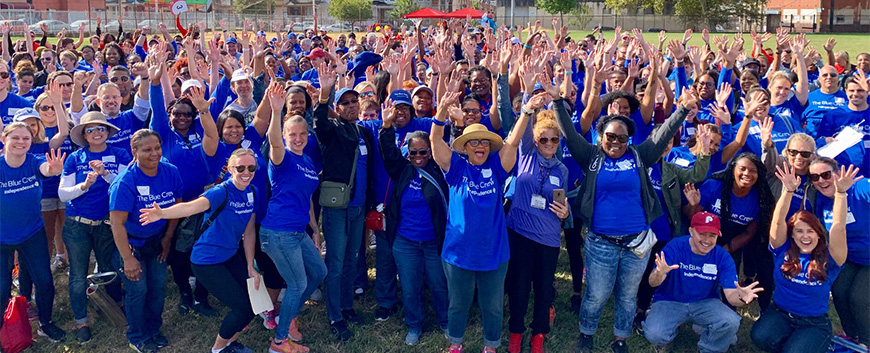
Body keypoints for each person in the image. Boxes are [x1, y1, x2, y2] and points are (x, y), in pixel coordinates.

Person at [556, 59, 698, 353]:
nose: (616, 142)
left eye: (622, 137)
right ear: (601, 135)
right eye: (610, 136)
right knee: (596, 295)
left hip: (637, 242)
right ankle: (587, 334)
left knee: (627, 296)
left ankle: (620, 338)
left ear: (629, 138)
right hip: (601, 241)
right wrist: (558, 101)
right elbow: (569, 133)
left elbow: (661, 134)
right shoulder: (591, 156)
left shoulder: (639, 155)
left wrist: (682, 109)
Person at [430, 84, 530, 353]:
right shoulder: (456, 168)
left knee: (493, 304)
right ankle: (455, 344)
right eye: (473, 141)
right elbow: (436, 142)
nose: (480, 146)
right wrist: (440, 114)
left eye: (484, 141)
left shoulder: (497, 168)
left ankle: (490, 346)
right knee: (458, 303)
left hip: (494, 252)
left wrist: (527, 112)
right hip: (458, 253)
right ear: (464, 146)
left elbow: (512, 142)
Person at [138, 148, 262, 353]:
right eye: (240, 167)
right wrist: (161, 213)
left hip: (230, 255)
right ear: (230, 169)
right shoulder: (220, 192)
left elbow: (249, 232)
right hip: (207, 261)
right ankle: (218, 349)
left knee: (254, 304)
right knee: (243, 308)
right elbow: (190, 207)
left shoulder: (252, 192)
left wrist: (250, 265)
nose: (246, 172)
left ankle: (230, 342)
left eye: (251, 167)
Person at [750, 163, 858, 353]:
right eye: (799, 231)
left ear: (819, 235)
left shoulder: (831, 259)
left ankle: (815, 343)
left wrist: (841, 194)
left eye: (810, 231)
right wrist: (788, 191)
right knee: (759, 336)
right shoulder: (781, 250)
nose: (805, 236)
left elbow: (839, 227)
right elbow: (777, 220)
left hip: (813, 323)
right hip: (780, 314)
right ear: (792, 234)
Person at [147, 53, 221, 318]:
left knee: (203, 247)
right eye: (177, 113)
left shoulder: (198, 132)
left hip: (202, 202)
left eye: (187, 114)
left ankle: (201, 295)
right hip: (173, 204)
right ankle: (184, 292)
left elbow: (212, 131)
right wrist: (156, 82)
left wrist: (202, 109)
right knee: (178, 250)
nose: (181, 117)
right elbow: (157, 110)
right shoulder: (164, 135)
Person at [311, 63, 376, 341]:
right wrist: (325, 95)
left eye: (354, 101)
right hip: (337, 207)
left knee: (352, 257)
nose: (351, 105)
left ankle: (347, 306)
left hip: (358, 207)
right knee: (336, 262)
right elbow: (320, 125)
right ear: (337, 107)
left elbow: (370, 170)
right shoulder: (333, 129)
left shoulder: (363, 133)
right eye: (345, 102)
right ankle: (335, 315)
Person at [260, 83, 326, 353]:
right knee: (298, 284)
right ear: (286, 135)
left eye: (302, 134)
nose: (298, 138)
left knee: (318, 273)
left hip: (299, 231)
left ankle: (285, 316)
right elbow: (274, 141)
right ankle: (279, 342)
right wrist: (276, 113)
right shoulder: (282, 157)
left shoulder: (307, 163)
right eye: (292, 134)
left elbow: (308, 198)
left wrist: (315, 228)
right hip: (278, 232)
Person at [380, 99, 450, 346]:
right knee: (409, 288)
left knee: (439, 284)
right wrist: (386, 126)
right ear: (407, 154)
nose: (418, 157)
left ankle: (446, 322)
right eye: (413, 153)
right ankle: (414, 325)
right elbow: (388, 152)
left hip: (433, 241)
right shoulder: (402, 170)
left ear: (430, 152)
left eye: (423, 152)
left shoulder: (440, 171)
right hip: (405, 241)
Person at [505, 95, 571, 353]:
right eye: (543, 138)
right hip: (520, 233)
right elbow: (522, 126)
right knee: (518, 288)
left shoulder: (561, 171)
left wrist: (566, 213)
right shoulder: (526, 153)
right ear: (535, 139)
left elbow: (561, 204)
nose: (549, 143)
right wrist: (528, 102)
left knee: (544, 290)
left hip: (548, 238)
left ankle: (538, 335)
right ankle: (515, 333)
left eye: (554, 139)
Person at [642, 212, 763, 353]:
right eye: (702, 234)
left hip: (705, 302)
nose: (707, 240)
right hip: (670, 300)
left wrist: (742, 297)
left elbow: (731, 296)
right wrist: (659, 273)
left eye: (712, 236)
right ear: (691, 231)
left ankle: (710, 347)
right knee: (655, 333)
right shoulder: (675, 246)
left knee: (731, 321)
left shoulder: (722, 256)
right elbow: (652, 283)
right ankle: (668, 336)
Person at [109, 129, 183, 353]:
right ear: (134, 152)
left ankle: (154, 329)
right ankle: (137, 335)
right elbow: (117, 223)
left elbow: (176, 205)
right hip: (132, 245)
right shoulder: (125, 182)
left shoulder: (170, 172)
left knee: (158, 287)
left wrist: (168, 238)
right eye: (147, 149)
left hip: (158, 241)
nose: (154, 153)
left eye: (157, 148)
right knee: (137, 290)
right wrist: (128, 259)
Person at [58, 111, 129, 344]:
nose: (96, 133)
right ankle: (81, 322)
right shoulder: (74, 158)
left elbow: (125, 185)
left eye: (101, 129)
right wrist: (85, 185)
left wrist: (106, 174)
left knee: (110, 268)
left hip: (107, 224)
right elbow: (62, 193)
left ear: (108, 132)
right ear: (84, 136)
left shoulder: (119, 153)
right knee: (78, 275)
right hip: (77, 224)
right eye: (90, 130)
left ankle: (115, 307)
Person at [0, 122, 66, 342]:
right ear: (4, 140)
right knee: (2, 289)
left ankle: (45, 324)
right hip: (2, 238)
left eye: (25, 138)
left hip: (32, 233)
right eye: (15, 138)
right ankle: (3, 333)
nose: (20, 142)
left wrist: (53, 169)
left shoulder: (33, 161)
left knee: (45, 281)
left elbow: (44, 169)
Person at [684, 153, 775, 310]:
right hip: (703, 235)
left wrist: (725, 250)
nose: (747, 174)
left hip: (734, 240)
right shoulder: (713, 186)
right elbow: (693, 219)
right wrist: (693, 205)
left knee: (728, 277)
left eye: (753, 171)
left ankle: (727, 311)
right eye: (742, 169)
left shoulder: (759, 198)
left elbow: (749, 233)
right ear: (733, 170)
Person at [810, 158, 870, 346]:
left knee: (859, 297)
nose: (821, 180)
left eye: (826, 174)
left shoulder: (860, 188)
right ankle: (851, 335)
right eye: (815, 177)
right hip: (849, 257)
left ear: (837, 173)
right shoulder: (822, 199)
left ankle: (867, 342)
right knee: (838, 289)